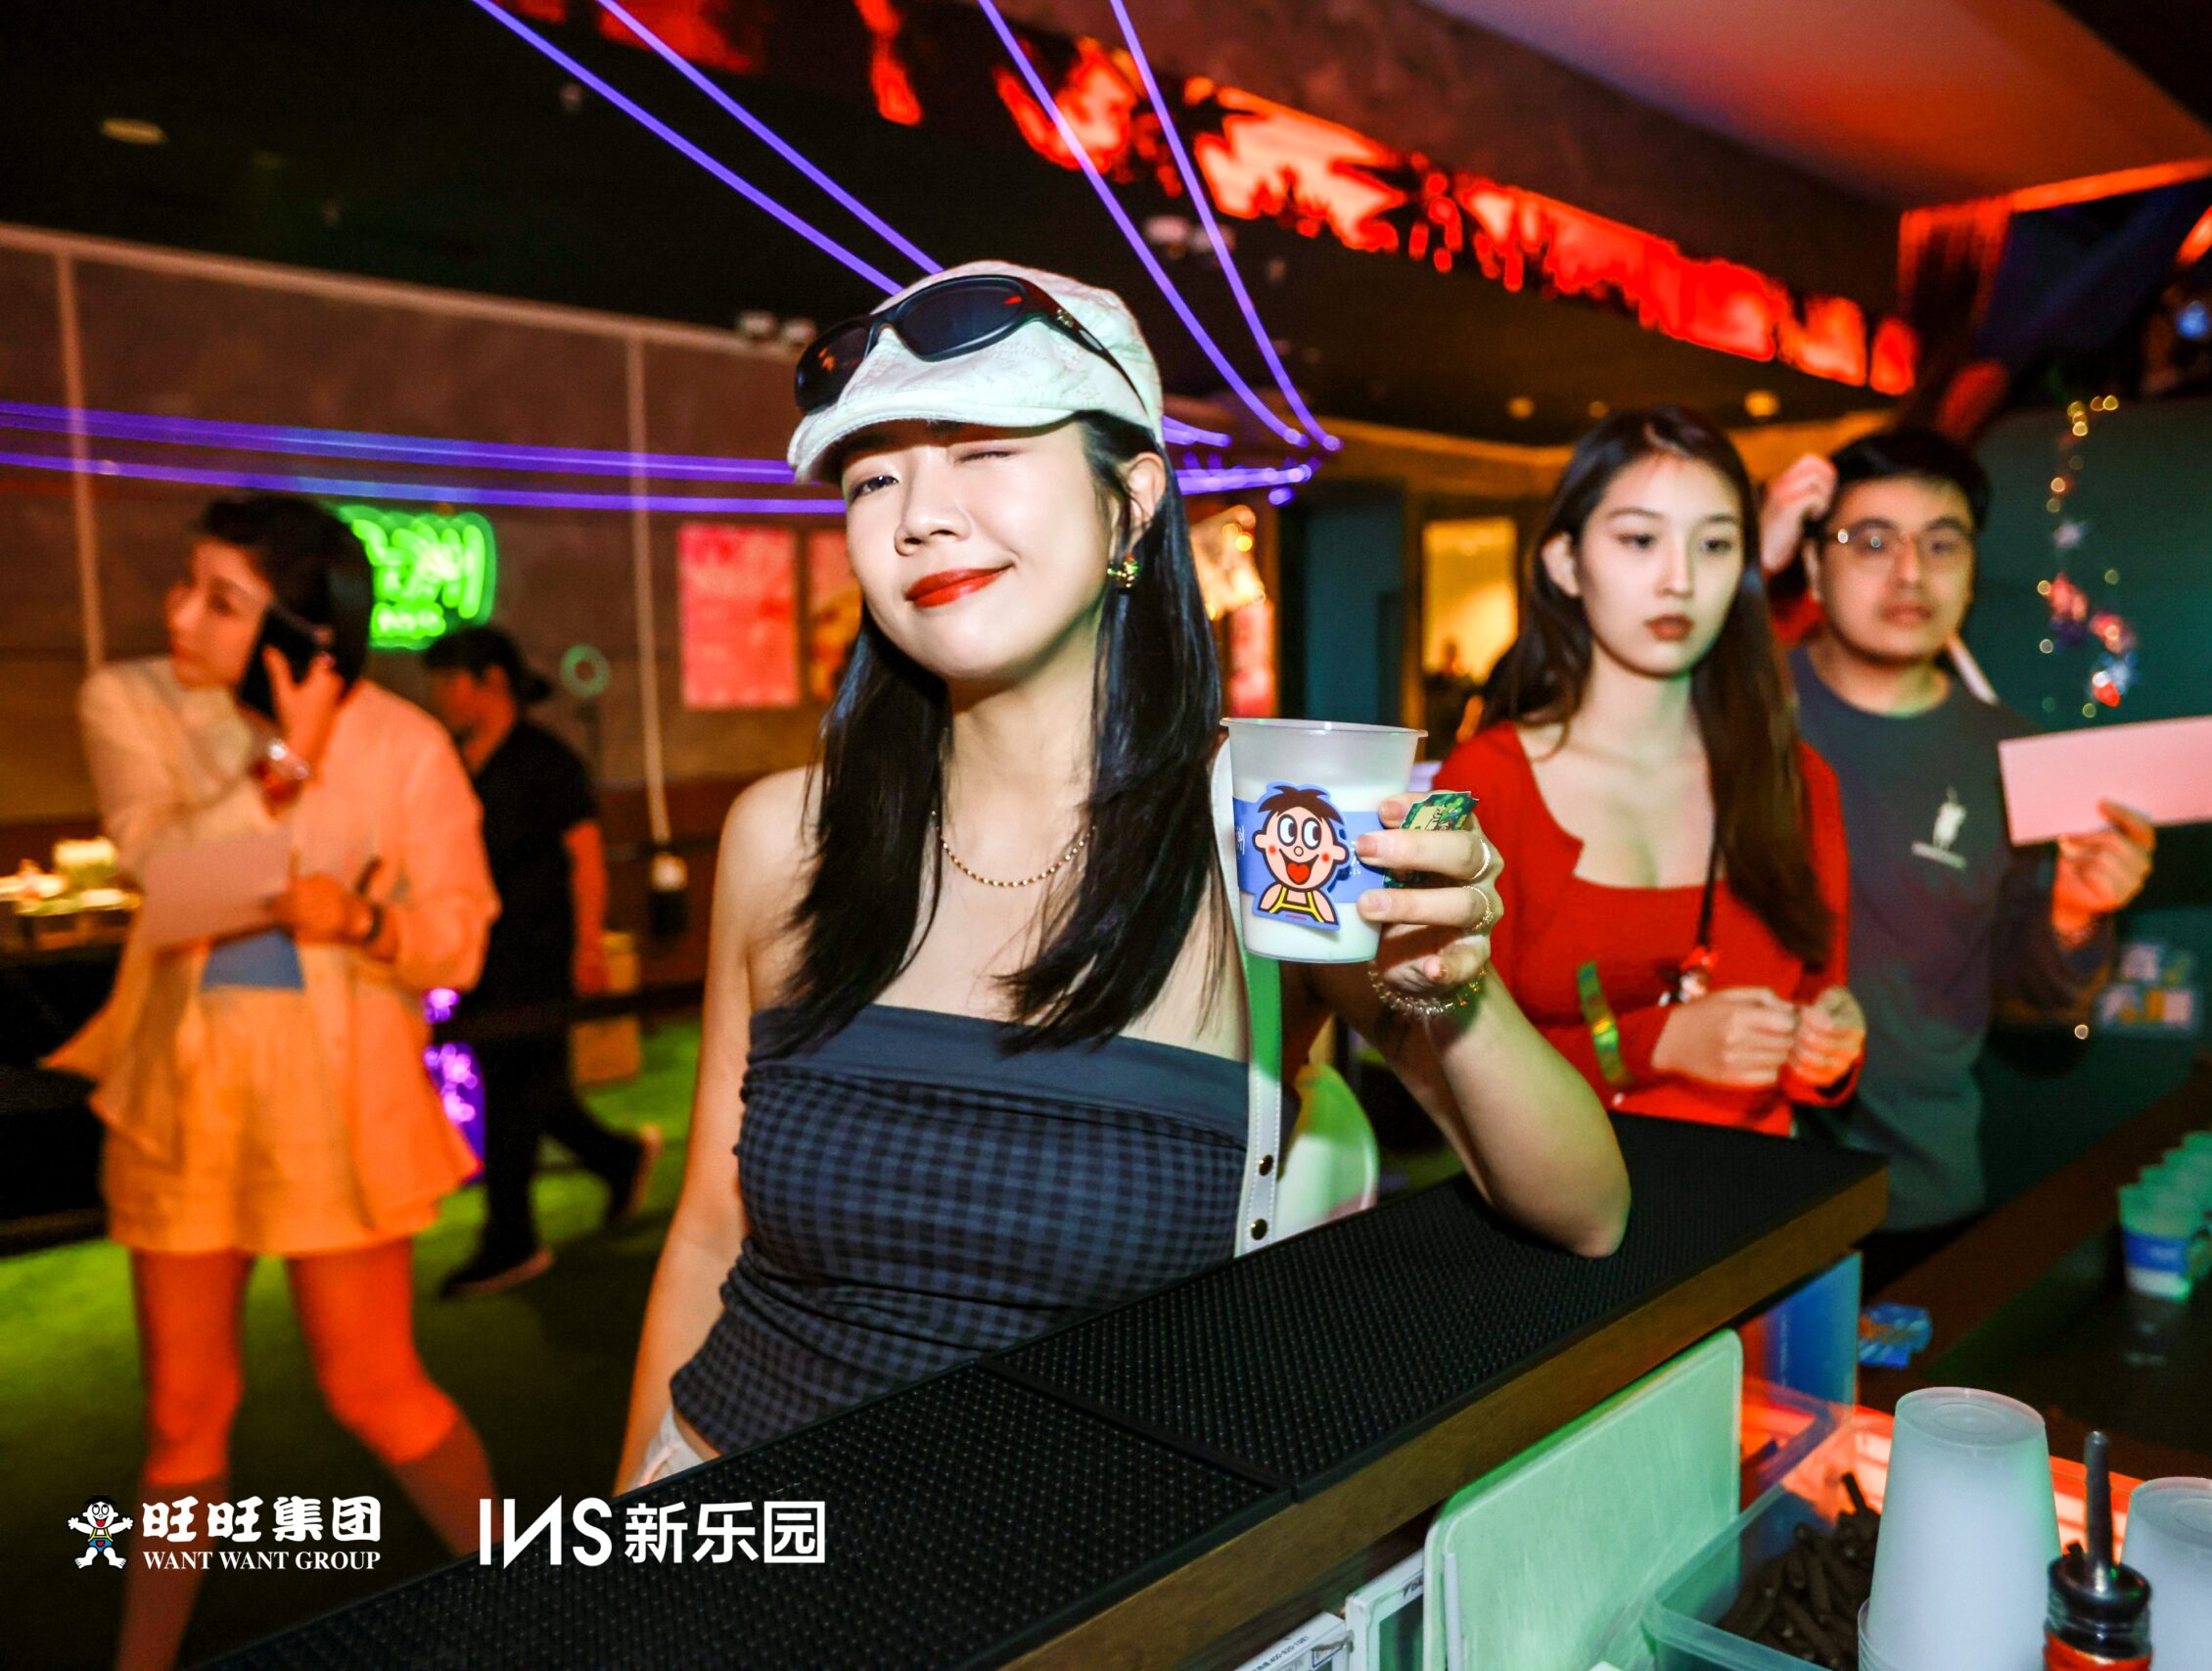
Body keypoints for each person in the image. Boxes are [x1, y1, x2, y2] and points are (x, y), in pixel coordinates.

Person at [617, 261, 1629, 1486]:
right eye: (873, 477)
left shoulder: (1270, 839)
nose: (918, 516)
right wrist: (619, 1545)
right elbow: (709, 1230)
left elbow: (1585, 1210)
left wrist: (1452, 983)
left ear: (1131, 504)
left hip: (1084, 1552)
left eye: (985, 452)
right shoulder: (789, 836)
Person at [49, 494, 497, 1671]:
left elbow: (459, 938)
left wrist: (361, 919)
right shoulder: (132, 699)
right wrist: (284, 768)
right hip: (183, 1098)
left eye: (222, 600)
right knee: (181, 1417)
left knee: (376, 1388)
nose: (179, 614)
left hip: (334, 1103)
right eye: (186, 583)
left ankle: (532, 1602)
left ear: (303, 628)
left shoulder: (402, 742)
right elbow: (164, 878)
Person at [1778, 429, 2154, 1288]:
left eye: (1942, 544)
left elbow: (2031, 993)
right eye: (1873, 541)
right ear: (1812, 564)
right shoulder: (1740, 714)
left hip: (1919, 1192)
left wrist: (2075, 912)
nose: (1910, 573)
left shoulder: (2013, 754)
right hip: (1742, 1184)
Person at [1435, 406, 1866, 1137]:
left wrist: (1829, 1041)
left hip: (1774, 1190)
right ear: (1565, 562)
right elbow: (1447, 1058)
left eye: (1715, 544)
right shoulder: (1487, 782)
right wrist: (1651, 1043)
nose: (1680, 580)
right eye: (1639, 539)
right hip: (1570, 1192)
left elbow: (1822, 999)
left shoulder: (1796, 779)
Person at [423, 625, 661, 1298]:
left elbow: (585, 857)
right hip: (476, 953)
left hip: (537, 949)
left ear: (492, 682)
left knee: (515, 1089)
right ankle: (617, 1158)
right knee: (528, 1085)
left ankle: (511, 1238)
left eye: (449, 681)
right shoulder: (451, 762)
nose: (439, 695)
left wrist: (588, 944)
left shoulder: (546, 760)